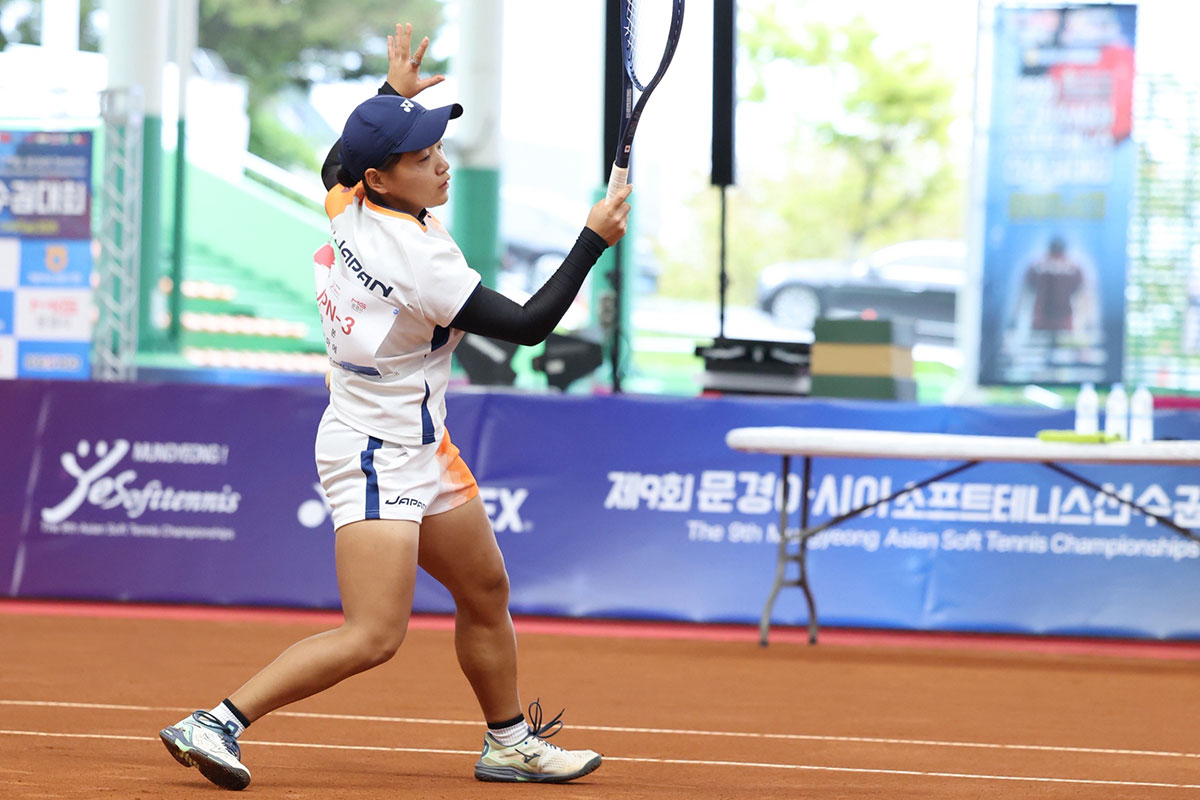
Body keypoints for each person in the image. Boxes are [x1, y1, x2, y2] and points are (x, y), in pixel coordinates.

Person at [158, 23, 630, 791]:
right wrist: (592, 239)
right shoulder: (418, 260)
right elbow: (528, 325)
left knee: (485, 591)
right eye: (420, 157)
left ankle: (509, 742)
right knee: (374, 635)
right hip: (375, 450)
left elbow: (333, 164)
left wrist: (391, 96)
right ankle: (216, 722)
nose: (441, 164)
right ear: (381, 177)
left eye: (438, 148)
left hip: (419, 442)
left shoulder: (348, 203)